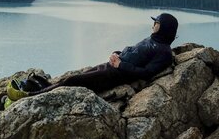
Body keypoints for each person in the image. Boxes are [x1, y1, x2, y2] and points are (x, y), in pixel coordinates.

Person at [44, 12, 178, 94]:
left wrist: (120, 65)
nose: (153, 24)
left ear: (164, 28)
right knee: (74, 78)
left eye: (157, 22)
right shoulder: (153, 39)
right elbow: (135, 52)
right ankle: (40, 89)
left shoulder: (163, 52)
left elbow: (146, 73)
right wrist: (117, 53)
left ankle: (32, 94)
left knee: (72, 81)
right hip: (112, 67)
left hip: (115, 75)